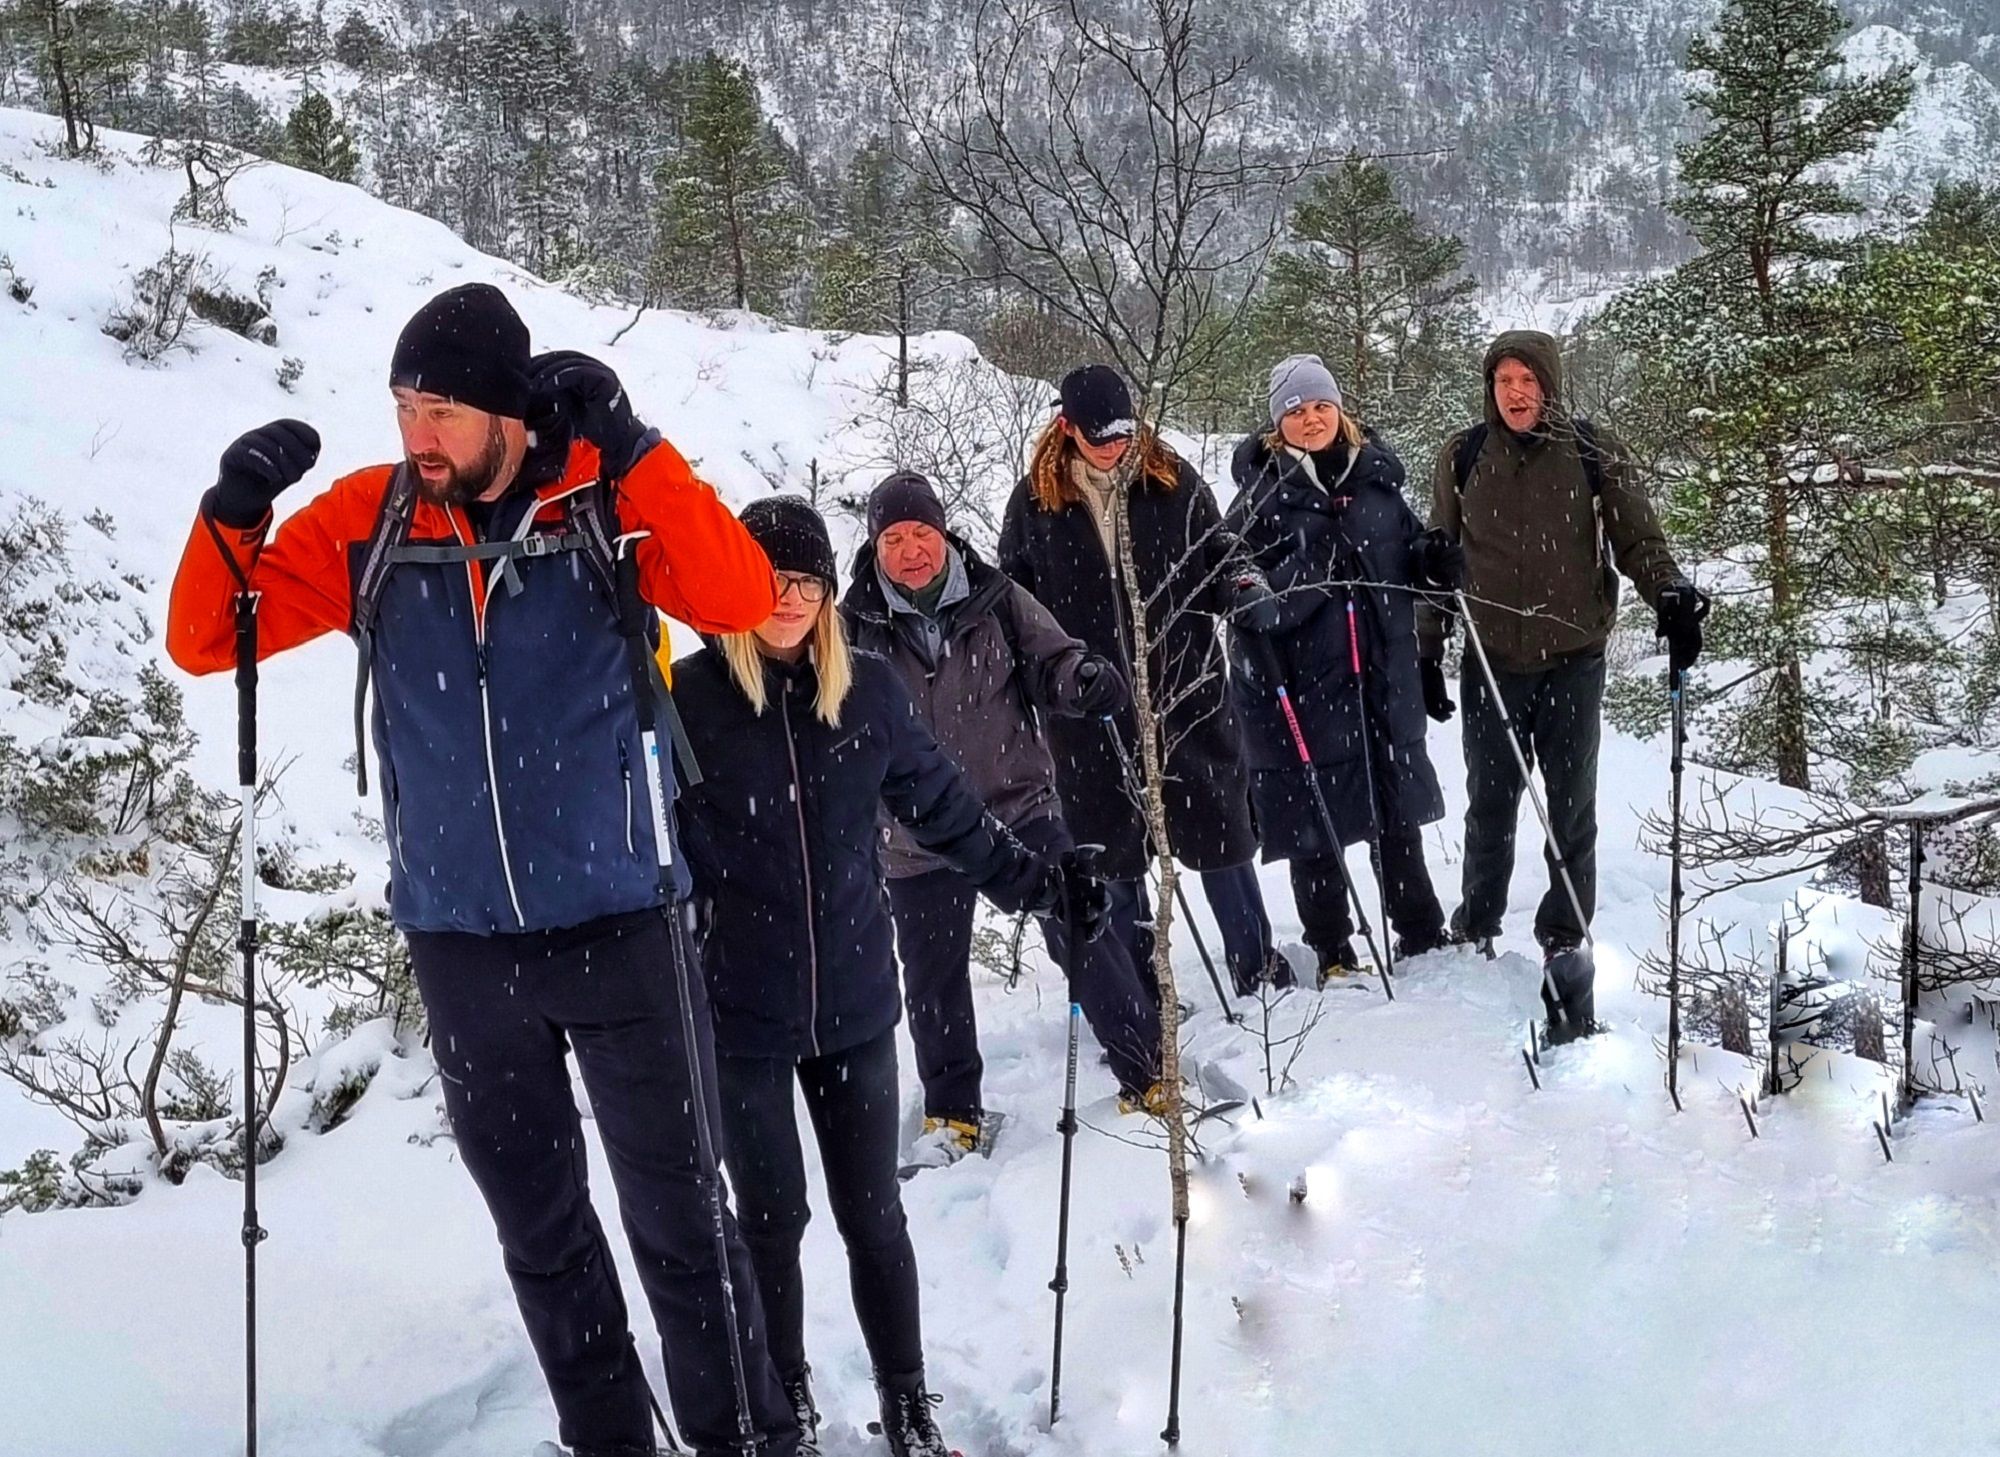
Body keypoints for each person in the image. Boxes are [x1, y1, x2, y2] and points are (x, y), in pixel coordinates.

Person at [166, 284, 799, 1457]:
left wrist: (635, 446)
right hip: (459, 943)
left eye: (444, 409)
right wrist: (232, 514)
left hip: (623, 921)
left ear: (509, 412)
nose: (419, 434)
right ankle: (608, 1437)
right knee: (541, 1235)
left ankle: (747, 1438)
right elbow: (213, 635)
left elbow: (742, 598)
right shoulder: (375, 518)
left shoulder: (599, 500)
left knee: (682, 1229)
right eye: (405, 405)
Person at [670, 497, 1107, 1457]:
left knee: (874, 1213)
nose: (789, 598)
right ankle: (783, 1410)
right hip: (740, 1011)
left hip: (858, 1006)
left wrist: (1043, 885)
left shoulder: (865, 691)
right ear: (739, 584)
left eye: (807, 579)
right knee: (772, 1216)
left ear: (832, 589)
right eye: (771, 579)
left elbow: (948, 814)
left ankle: (907, 1407)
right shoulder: (690, 698)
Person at [841, 470, 1165, 1148]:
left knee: (1080, 923)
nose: (911, 551)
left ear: (944, 533)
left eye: (922, 534)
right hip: (915, 831)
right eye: (894, 538)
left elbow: (1056, 659)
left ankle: (1146, 1067)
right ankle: (954, 1111)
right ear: (874, 547)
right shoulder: (851, 625)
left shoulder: (997, 598)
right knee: (933, 978)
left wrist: (1083, 678)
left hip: (1015, 804)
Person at [1416, 328, 1709, 1038]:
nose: (1515, 393)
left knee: (1571, 808)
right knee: (1489, 805)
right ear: (1490, 387)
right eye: (1503, 380)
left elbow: (1639, 540)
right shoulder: (1462, 456)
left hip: (1574, 658)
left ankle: (1565, 933)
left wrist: (1669, 591)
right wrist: (1428, 648)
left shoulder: (1591, 450)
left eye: (1527, 380)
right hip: (1491, 661)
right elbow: (1439, 554)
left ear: (1549, 384)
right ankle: (1478, 924)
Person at [998, 364, 1285, 1005]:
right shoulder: (1036, 503)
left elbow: (1220, 554)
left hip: (1185, 690)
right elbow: (1013, 605)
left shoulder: (1172, 481)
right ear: (1066, 427)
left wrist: (1243, 585)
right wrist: (1040, 677)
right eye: (1098, 436)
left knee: (1221, 833)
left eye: (1123, 433)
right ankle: (1139, 988)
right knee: (1112, 853)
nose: (1114, 446)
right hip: (1089, 706)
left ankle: (1257, 968)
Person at [1227, 355, 1462, 982]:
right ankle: (1332, 948)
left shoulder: (1378, 486)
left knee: (1396, 819)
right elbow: (1238, 592)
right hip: (1306, 692)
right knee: (1316, 831)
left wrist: (1431, 559)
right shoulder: (1259, 501)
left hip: (1383, 682)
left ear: (1340, 411)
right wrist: (1305, 576)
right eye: (1296, 410)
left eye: (1320, 406)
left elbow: (1407, 557)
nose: (1311, 419)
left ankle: (1420, 933)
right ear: (1278, 425)